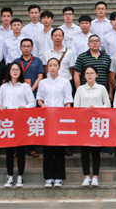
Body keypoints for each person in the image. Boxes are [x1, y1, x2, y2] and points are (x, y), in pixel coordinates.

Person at [0, 62, 36, 188]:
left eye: (17, 69)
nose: (15, 71)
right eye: (13, 69)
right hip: (7, 123)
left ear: (20, 72)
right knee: (9, 152)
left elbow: (33, 102)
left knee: (20, 151)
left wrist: (25, 107)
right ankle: (9, 176)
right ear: (9, 71)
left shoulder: (25, 86)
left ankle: (20, 176)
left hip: (20, 122)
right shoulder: (3, 87)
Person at [37, 58, 73, 188]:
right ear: (47, 68)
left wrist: (64, 114)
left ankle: (59, 177)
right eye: (50, 65)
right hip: (47, 118)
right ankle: (48, 177)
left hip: (60, 119)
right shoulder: (43, 83)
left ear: (59, 67)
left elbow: (68, 101)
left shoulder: (65, 82)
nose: (52, 68)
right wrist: (43, 107)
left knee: (59, 149)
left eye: (55, 65)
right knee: (47, 149)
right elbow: (39, 99)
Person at [74, 66, 111, 187]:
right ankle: (86, 176)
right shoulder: (80, 89)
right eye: (87, 73)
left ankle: (95, 176)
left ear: (96, 75)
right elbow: (76, 107)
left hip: (97, 124)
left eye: (92, 73)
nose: (89, 75)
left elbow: (108, 105)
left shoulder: (101, 88)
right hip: (84, 124)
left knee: (95, 152)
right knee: (84, 152)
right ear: (84, 76)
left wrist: (97, 108)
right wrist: (85, 110)